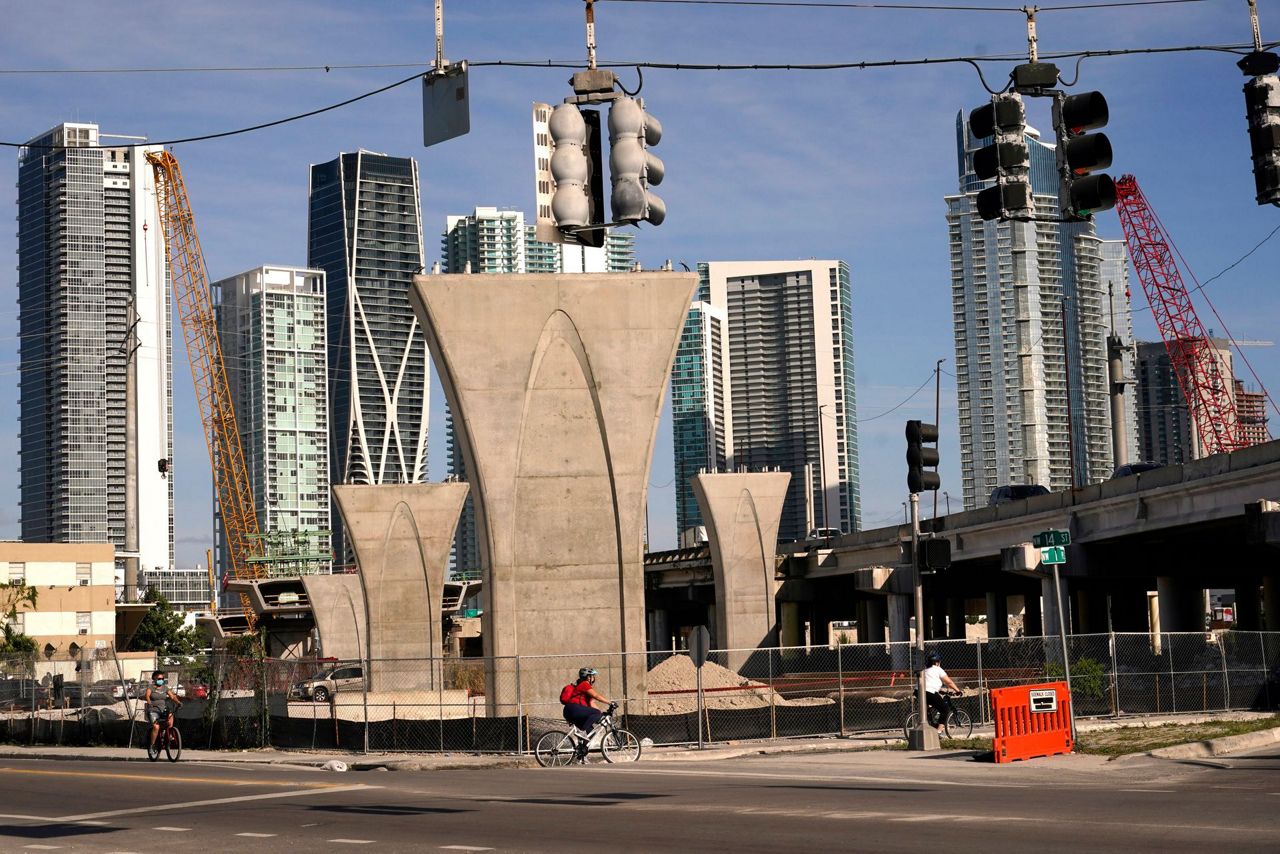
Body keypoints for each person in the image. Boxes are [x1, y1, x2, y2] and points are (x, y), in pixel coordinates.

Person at [561, 667, 613, 759]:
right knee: (595, 715)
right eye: (592, 676)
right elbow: (596, 696)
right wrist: (610, 703)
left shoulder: (583, 688)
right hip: (573, 709)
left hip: (574, 711)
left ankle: (581, 752)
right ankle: (581, 731)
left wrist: (601, 714)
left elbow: (592, 703)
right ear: (588, 677)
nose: (594, 678)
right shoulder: (584, 684)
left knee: (591, 733)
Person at [923, 651, 960, 734]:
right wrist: (957, 690)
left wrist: (940, 691)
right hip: (930, 692)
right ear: (937, 662)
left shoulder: (925, 670)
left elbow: (929, 683)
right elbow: (949, 682)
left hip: (919, 691)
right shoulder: (938, 669)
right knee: (945, 709)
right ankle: (938, 732)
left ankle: (930, 723)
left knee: (928, 706)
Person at [144, 670, 182, 749]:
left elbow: (172, 696)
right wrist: (149, 703)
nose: (161, 680)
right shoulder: (150, 687)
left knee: (170, 716)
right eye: (159, 679)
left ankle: (169, 734)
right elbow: (147, 696)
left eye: (162, 679)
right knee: (156, 727)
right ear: (154, 679)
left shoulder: (165, 688)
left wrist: (178, 702)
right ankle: (152, 745)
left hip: (163, 709)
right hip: (153, 710)